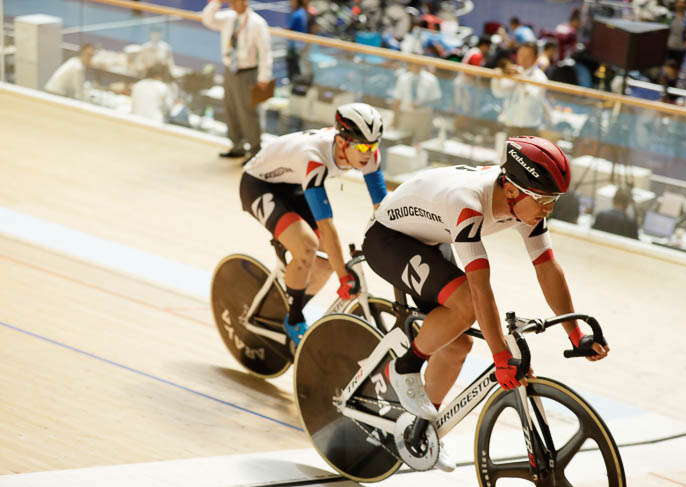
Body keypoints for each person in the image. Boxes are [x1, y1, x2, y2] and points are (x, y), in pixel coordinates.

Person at [362, 136, 610, 471]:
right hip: (388, 239)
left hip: (431, 238)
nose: (548, 209)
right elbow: (479, 289)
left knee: (457, 344)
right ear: (511, 191)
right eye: (544, 200)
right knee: (464, 304)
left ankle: (421, 431)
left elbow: (547, 268)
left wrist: (575, 333)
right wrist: (500, 355)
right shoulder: (469, 203)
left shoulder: (524, 204)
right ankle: (405, 367)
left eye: (553, 200)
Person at [240, 103, 387, 345]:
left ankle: (288, 304)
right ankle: (294, 319)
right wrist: (345, 278)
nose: (368, 153)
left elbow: (382, 209)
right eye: (362, 146)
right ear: (342, 142)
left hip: (293, 183)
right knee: (307, 246)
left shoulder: (368, 153)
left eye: (373, 145)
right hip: (258, 185)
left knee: (328, 261)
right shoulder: (314, 159)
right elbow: (327, 227)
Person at [202, 0, 272, 162]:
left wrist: (263, 77)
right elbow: (207, 19)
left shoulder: (257, 23)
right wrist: (216, 3)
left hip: (248, 73)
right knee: (230, 109)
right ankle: (237, 145)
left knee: (249, 113)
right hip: (230, 70)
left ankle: (255, 150)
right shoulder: (228, 18)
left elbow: (265, 52)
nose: (232, 4)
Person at [490, 42, 548, 138]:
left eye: (527, 56)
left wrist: (522, 79)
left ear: (535, 58)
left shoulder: (540, 78)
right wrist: (497, 78)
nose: (523, 58)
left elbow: (532, 101)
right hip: (510, 125)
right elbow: (498, 93)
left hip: (528, 129)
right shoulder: (516, 71)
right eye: (521, 54)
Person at [392, 63, 441, 141]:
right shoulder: (403, 78)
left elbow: (436, 98)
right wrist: (395, 118)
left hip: (424, 115)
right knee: (403, 140)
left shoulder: (431, 79)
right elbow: (397, 99)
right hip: (406, 115)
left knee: (421, 142)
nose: (416, 67)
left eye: (418, 64)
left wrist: (421, 104)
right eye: (413, 64)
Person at [664, 0, 686, 69]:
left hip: (682, 47)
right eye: (680, 3)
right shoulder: (670, 16)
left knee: (677, 67)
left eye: (683, 3)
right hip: (670, 45)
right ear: (676, 4)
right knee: (668, 68)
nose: (681, 5)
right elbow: (664, 31)